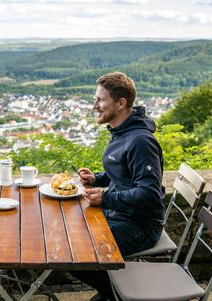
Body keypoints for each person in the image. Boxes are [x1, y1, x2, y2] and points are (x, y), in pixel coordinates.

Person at [70, 72, 165, 301]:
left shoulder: (140, 141)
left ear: (121, 103)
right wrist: (98, 179)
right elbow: (124, 173)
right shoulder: (122, 131)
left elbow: (149, 193)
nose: (95, 106)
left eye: (100, 100)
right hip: (121, 214)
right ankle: (111, 292)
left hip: (140, 226)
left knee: (73, 251)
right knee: (71, 233)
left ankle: (115, 294)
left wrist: (105, 198)